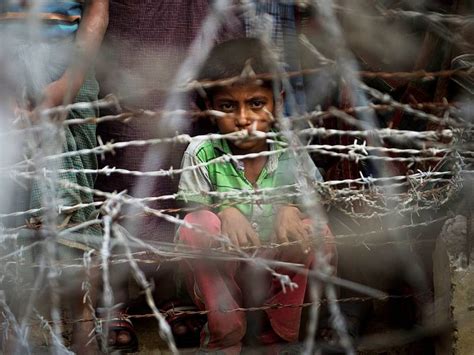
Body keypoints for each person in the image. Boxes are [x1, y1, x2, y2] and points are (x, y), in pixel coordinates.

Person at [175, 38, 336, 353]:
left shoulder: (290, 151)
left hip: (280, 268)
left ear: (277, 101)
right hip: (225, 269)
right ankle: (225, 329)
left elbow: (319, 199)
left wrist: (289, 206)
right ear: (209, 107)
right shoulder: (201, 150)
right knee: (199, 223)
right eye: (228, 106)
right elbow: (192, 206)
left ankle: (276, 331)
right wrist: (227, 209)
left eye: (256, 103)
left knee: (317, 230)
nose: (244, 119)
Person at [0, 1, 111, 353]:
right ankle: (15, 321)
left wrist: (70, 82)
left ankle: (82, 321)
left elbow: (97, 8)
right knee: (7, 210)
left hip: (67, 65)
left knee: (69, 206)